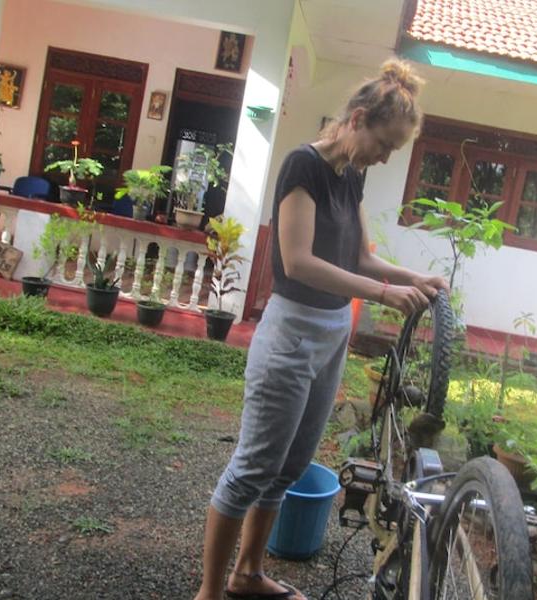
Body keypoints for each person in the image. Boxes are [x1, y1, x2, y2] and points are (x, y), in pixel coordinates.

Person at [193, 58, 448, 600]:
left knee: (287, 467)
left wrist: (411, 278)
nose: (384, 158)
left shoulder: (351, 176)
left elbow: (361, 257)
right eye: (384, 144)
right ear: (358, 118)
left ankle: (248, 573)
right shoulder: (302, 166)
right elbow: (299, 261)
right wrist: (381, 293)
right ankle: (210, 592)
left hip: (332, 332)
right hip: (290, 333)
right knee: (252, 468)